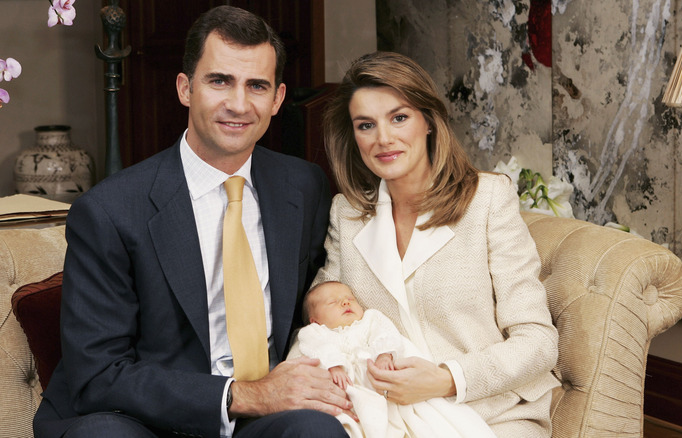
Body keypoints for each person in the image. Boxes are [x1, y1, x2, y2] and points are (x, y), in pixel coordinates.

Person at [33, 6, 350, 438]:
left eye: (256, 85)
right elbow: (100, 374)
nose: (238, 104)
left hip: (260, 421)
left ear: (277, 99)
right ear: (185, 88)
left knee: (316, 431)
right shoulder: (110, 210)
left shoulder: (303, 186)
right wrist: (244, 394)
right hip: (141, 420)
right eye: (220, 81)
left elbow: (315, 304)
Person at [315, 51, 560, 437]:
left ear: (428, 121)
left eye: (399, 118)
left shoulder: (488, 200)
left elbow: (538, 342)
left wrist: (447, 379)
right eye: (366, 125)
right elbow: (324, 310)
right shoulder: (345, 214)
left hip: (492, 415)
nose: (383, 139)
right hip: (389, 419)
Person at [293, 281, 497, 438]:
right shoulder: (316, 333)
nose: (345, 302)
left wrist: (384, 355)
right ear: (315, 320)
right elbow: (314, 347)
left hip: (384, 385)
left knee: (416, 420)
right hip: (350, 392)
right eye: (333, 302)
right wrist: (334, 366)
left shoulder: (369, 320)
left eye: (349, 298)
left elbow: (386, 333)